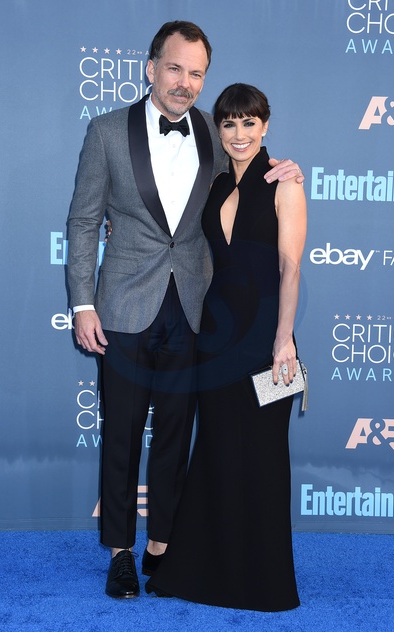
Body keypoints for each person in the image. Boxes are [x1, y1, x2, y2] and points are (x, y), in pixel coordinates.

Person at [67, 21, 304, 600]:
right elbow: (83, 221)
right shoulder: (105, 131)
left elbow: (249, 176)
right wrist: (82, 302)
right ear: (152, 68)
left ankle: (162, 546)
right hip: (123, 304)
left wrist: (286, 170)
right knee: (122, 436)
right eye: (175, 68)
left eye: (196, 73)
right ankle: (121, 552)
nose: (185, 82)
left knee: (176, 434)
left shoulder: (214, 134)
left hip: (197, 310)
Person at [146, 83, 307, 612]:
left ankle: (262, 583)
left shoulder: (284, 182)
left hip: (265, 335)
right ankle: (204, 571)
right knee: (216, 450)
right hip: (215, 336)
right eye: (229, 123)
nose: (240, 134)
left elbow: (289, 267)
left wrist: (283, 339)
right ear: (219, 130)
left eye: (249, 122)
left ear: (266, 125)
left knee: (262, 456)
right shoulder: (215, 184)